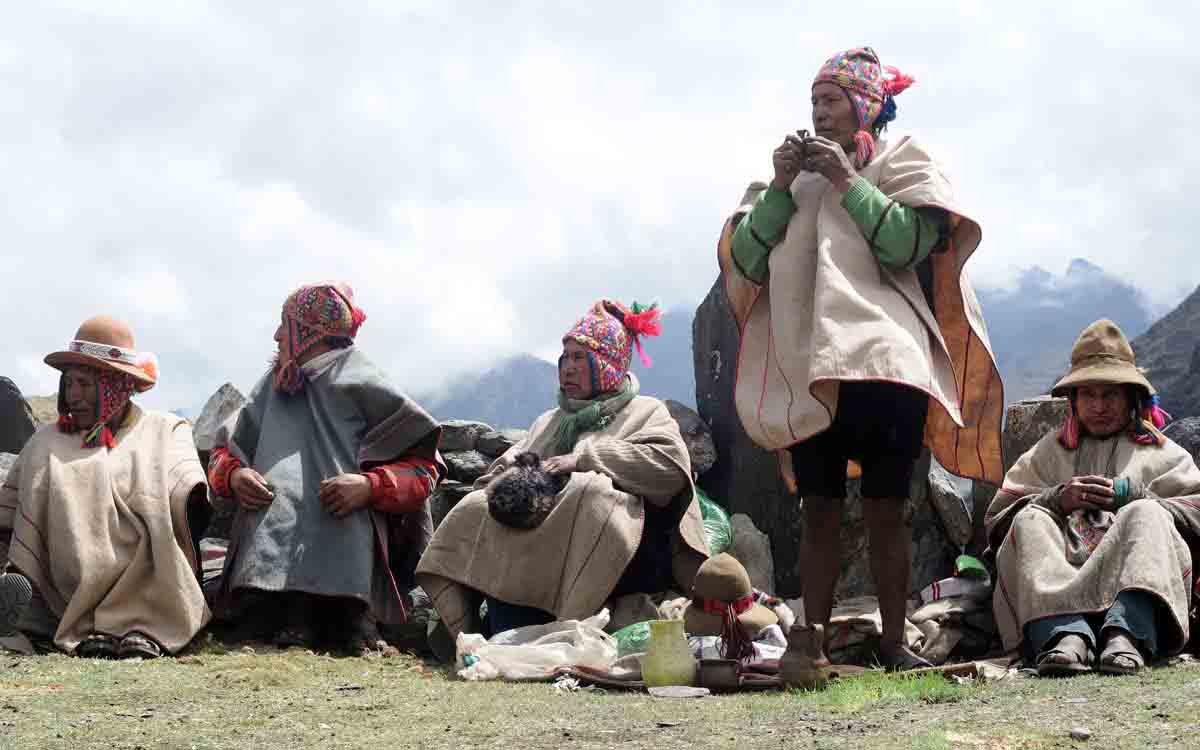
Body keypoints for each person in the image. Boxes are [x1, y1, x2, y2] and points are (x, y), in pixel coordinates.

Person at [717, 46, 1004, 670]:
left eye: (833, 101)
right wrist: (782, 189)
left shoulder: (904, 161)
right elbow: (745, 260)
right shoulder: (784, 183)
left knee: (886, 503)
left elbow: (907, 245)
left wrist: (847, 181)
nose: (820, 114)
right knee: (815, 505)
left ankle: (896, 640)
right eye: (814, 102)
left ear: (867, 107)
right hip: (809, 362)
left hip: (883, 360)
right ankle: (810, 641)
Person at [416, 300, 708, 653]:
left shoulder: (647, 412)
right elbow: (508, 464)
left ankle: (568, 619)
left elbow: (668, 470)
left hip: (629, 555)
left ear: (607, 365)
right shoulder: (550, 421)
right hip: (539, 547)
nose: (567, 368)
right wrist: (507, 478)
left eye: (579, 358)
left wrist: (583, 459)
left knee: (593, 492)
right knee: (478, 504)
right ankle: (474, 629)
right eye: (564, 358)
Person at [207, 282, 443, 656]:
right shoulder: (274, 384)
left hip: (347, 534)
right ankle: (279, 615)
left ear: (308, 332)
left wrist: (369, 486)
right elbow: (221, 453)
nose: (276, 335)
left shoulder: (366, 383)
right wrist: (235, 476)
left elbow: (424, 468)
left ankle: (337, 620)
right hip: (269, 548)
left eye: (285, 324)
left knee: (334, 505)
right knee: (280, 496)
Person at [986, 320, 1200, 676]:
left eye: (1110, 394)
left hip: (1132, 595)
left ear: (1132, 397)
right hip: (1059, 587)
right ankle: (1065, 636)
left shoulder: (1165, 455)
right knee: (1030, 518)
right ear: (1073, 400)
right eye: (1088, 394)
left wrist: (1140, 497)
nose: (1099, 406)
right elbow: (999, 520)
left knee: (1146, 512)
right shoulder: (1047, 454)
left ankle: (1125, 633)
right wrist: (1057, 500)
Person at [0, 316, 210, 658]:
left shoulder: (163, 429)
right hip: (59, 575)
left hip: (143, 568)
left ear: (115, 385)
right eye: (69, 384)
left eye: (84, 384)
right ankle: (42, 616)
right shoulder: (46, 441)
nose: (74, 395)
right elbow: (12, 515)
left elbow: (188, 491)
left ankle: (142, 625)